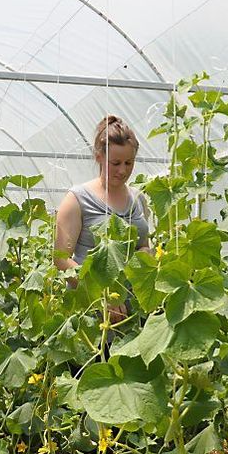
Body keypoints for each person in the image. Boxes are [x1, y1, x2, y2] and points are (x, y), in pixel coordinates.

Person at [54, 115, 151, 320]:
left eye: (129, 162)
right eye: (115, 163)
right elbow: (61, 260)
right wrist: (102, 297)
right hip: (95, 315)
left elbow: (143, 245)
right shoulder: (77, 199)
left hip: (136, 313)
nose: (123, 170)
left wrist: (146, 254)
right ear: (99, 157)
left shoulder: (138, 199)